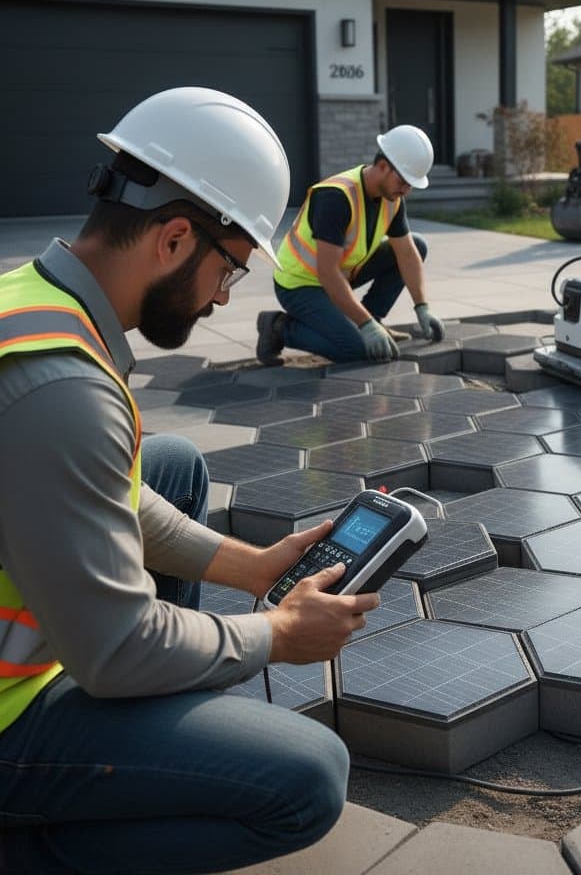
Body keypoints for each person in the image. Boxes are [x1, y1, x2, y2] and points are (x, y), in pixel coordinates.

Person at [0, 87, 380, 873]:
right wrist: (275, 635)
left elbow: (105, 485)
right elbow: (115, 649)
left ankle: (150, 728)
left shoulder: (28, 297)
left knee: (170, 465)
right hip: (9, 717)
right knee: (309, 778)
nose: (220, 298)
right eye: (230, 270)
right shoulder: (62, 390)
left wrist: (256, 566)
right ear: (175, 239)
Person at [256, 124, 446, 366]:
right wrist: (363, 326)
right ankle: (279, 328)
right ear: (383, 166)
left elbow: (408, 255)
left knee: (417, 245)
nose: (406, 190)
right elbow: (327, 272)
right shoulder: (336, 197)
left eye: (411, 184)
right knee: (358, 350)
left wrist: (422, 307)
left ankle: (372, 319)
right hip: (299, 284)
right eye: (404, 181)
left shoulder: (392, 198)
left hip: (339, 276)